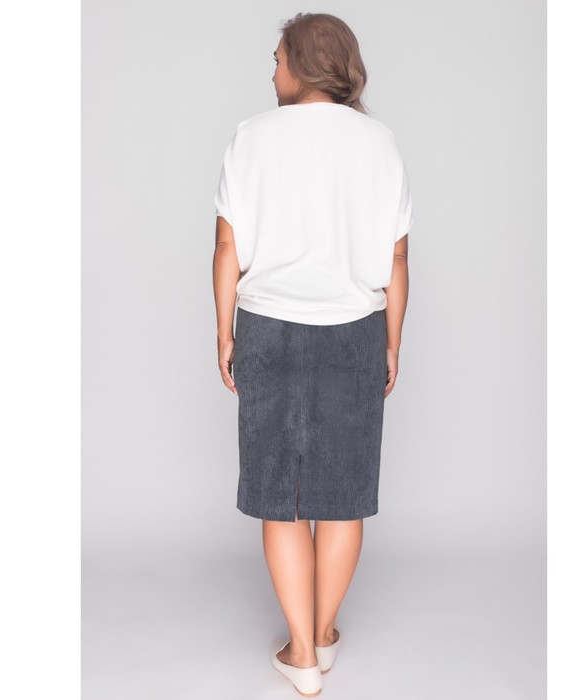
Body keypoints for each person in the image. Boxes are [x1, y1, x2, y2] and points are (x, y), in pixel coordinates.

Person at [212, 12, 413, 697]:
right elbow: (397, 257)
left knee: (282, 503)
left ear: (301, 64)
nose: (272, 71)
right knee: (343, 500)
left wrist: (224, 332)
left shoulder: (251, 136)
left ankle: (299, 651)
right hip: (355, 330)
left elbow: (226, 246)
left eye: (277, 59)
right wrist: (392, 342)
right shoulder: (380, 142)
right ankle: (323, 634)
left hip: (268, 329)